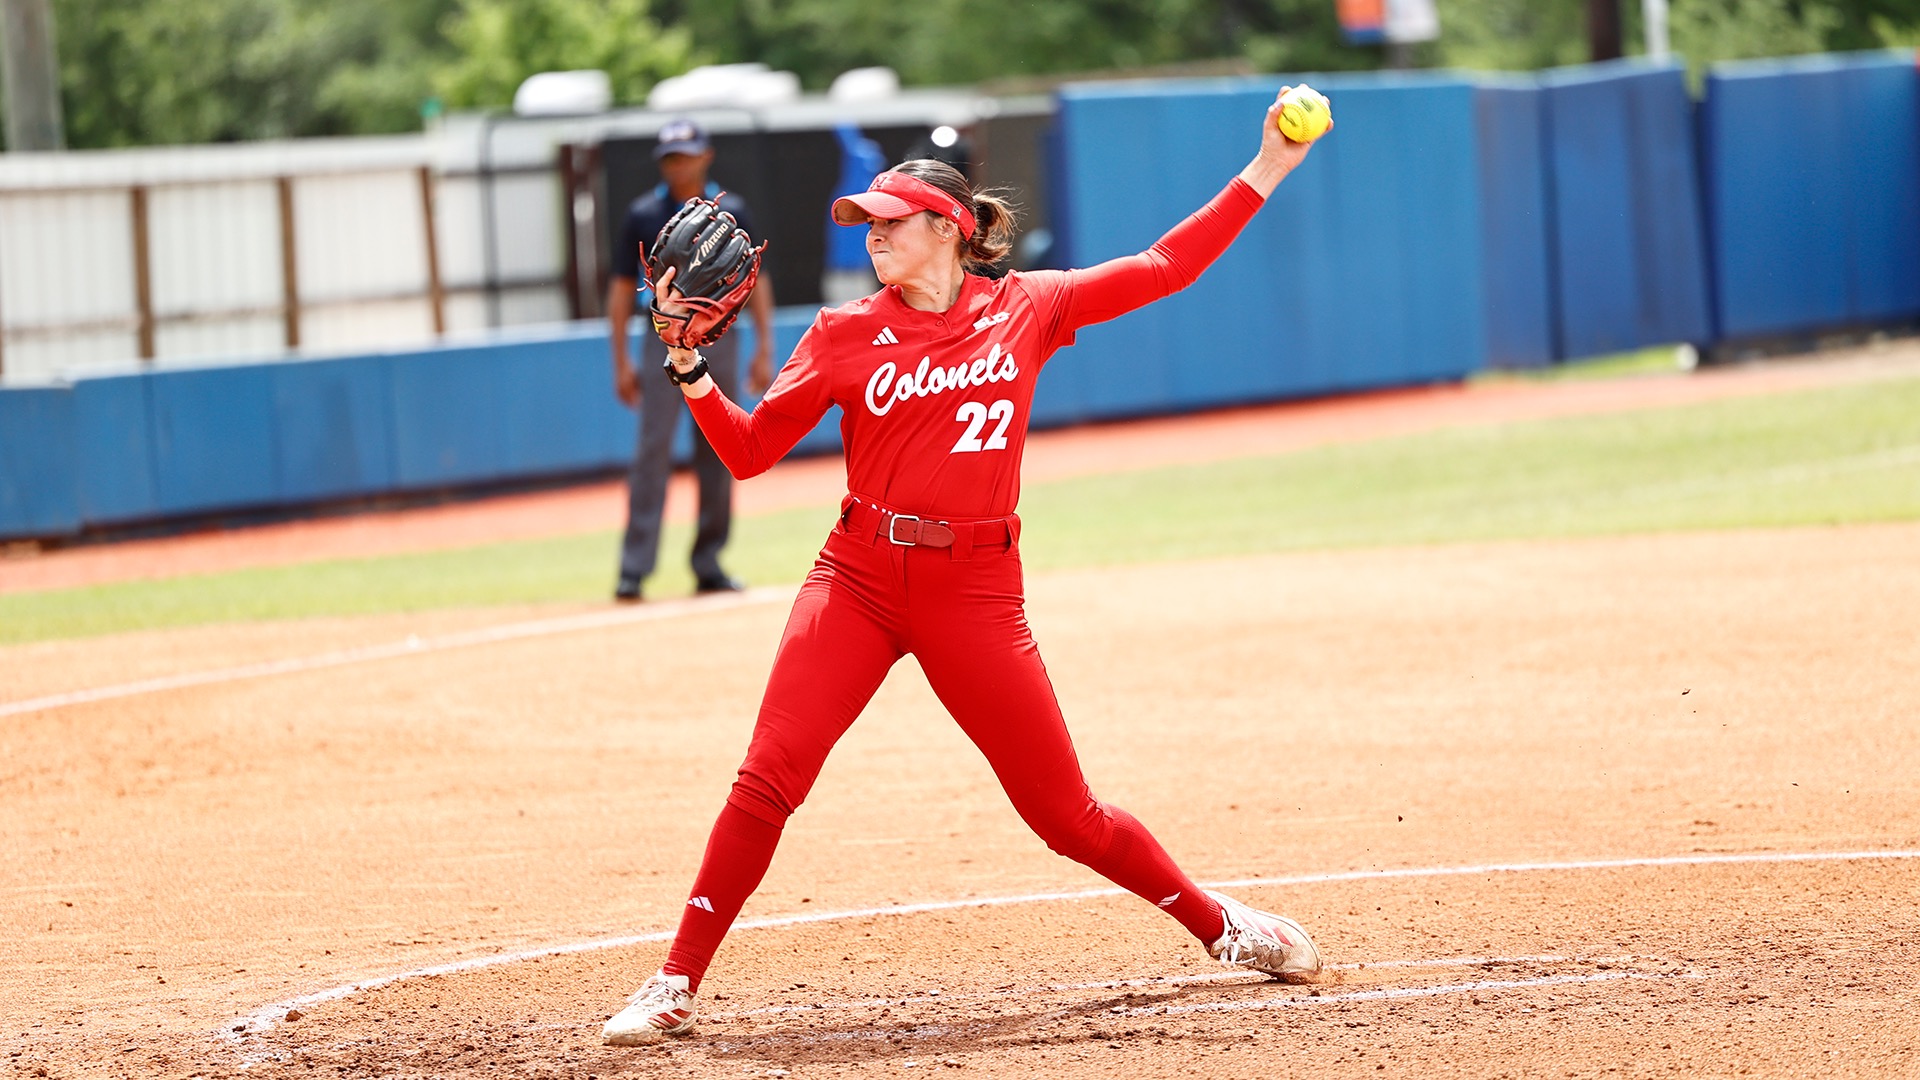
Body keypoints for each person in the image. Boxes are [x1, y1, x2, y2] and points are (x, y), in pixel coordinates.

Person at [602, 90, 1329, 1045]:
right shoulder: (840, 336)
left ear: (946, 228)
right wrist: (690, 369)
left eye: (888, 221)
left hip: (977, 593)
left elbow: (1166, 265)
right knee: (768, 775)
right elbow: (745, 453)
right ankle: (673, 984)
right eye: (863, 223)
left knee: (1064, 814)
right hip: (857, 578)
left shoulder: (1029, 306)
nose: (870, 235)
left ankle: (1222, 926)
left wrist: (1269, 163)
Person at [606, 117, 774, 601]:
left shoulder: (733, 209)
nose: (678, 165)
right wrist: (620, 359)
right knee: (651, 453)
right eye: (670, 157)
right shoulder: (643, 213)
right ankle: (634, 568)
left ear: (706, 156)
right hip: (659, 337)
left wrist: (763, 348)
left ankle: (709, 561)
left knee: (720, 449)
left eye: (686, 155)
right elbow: (620, 291)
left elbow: (756, 283)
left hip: (720, 339)